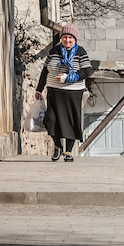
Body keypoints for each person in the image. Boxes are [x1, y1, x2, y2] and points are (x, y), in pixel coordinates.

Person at [35, 22, 93, 162]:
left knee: (71, 121)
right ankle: (58, 146)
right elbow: (45, 71)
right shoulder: (54, 52)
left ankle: (68, 151)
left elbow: (87, 71)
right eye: (65, 37)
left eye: (70, 38)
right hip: (54, 91)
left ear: (75, 39)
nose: (67, 40)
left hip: (73, 92)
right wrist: (39, 89)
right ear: (61, 38)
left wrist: (69, 77)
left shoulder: (81, 52)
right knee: (50, 120)